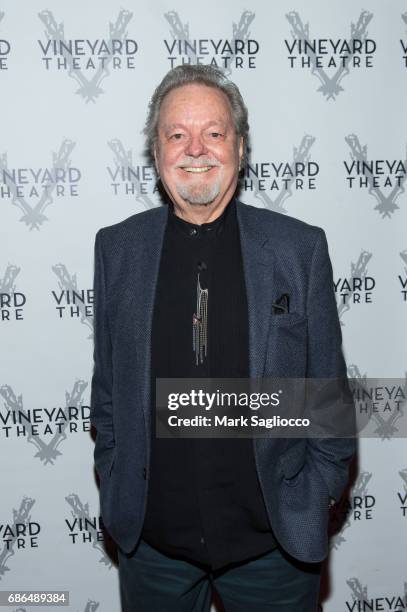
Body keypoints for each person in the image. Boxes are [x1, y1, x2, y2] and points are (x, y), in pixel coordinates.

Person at [90, 65, 355, 611]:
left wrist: (318, 491)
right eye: (176, 134)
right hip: (153, 553)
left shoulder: (297, 250)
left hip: (273, 553)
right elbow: (108, 393)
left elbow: (328, 400)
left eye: (213, 132)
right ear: (156, 150)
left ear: (239, 145)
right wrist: (115, 475)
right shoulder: (117, 250)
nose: (196, 149)